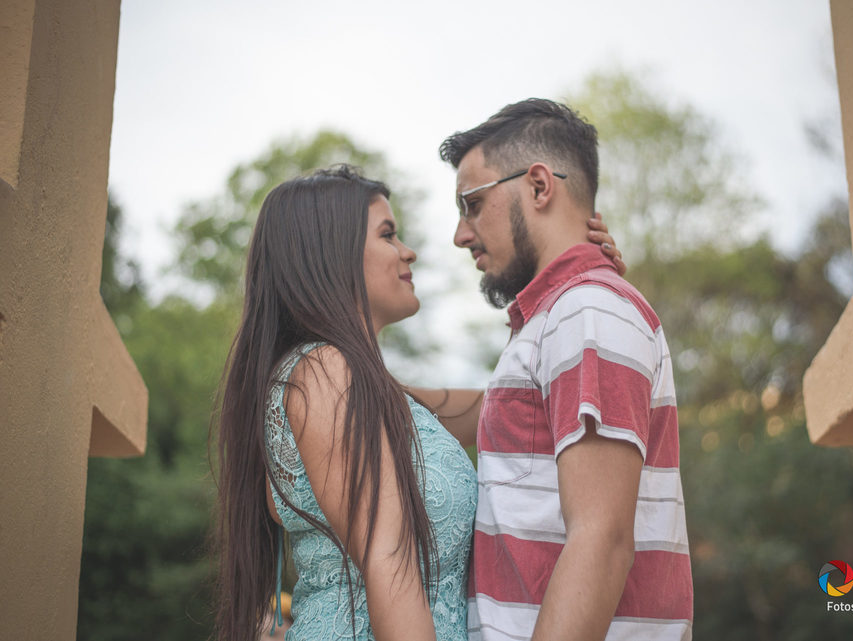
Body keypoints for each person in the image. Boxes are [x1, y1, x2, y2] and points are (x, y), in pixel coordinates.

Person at [211, 165, 624, 641]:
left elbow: (514, 407)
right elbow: (390, 561)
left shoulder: (375, 393)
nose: (408, 251)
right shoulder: (324, 374)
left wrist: (580, 286)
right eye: (388, 234)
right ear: (331, 253)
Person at [439, 99, 694, 641]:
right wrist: (364, 387)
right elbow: (492, 414)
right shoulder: (563, 315)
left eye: (472, 204)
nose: (461, 233)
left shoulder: (586, 310)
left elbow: (602, 540)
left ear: (538, 186)